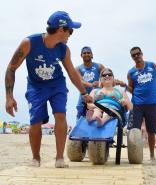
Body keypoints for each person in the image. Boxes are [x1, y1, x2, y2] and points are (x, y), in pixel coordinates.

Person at [5, 11, 92, 168]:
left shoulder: (64, 50)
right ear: (60, 29)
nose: (71, 34)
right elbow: (11, 68)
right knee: (35, 121)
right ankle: (35, 158)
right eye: (70, 30)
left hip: (57, 85)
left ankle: (59, 158)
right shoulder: (29, 43)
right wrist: (9, 96)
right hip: (36, 87)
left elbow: (72, 72)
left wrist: (84, 94)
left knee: (60, 115)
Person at [127, 46, 156, 163]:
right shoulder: (131, 72)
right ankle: (136, 156)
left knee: (152, 131)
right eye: (134, 55)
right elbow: (131, 88)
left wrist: (155, 87)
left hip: (152, 103)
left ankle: (152, 155)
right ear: (132, 57)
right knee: (135, 131)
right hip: (137, 104)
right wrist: (124, 86)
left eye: (138, 54)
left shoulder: (152, 65)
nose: (136, 56)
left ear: (142, 53)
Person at [75, 47, 126, 119]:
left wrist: (120, 82)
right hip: (84, 96)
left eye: (88, 53)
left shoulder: (98, 66)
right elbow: (79, 82)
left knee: (100, 113)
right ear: (81, 55)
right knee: (80, 116)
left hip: (97, 97)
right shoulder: (78, 68)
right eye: (84, 53)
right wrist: (91, 84)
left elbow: (108, 76)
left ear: (92, 55)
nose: (86, 54)